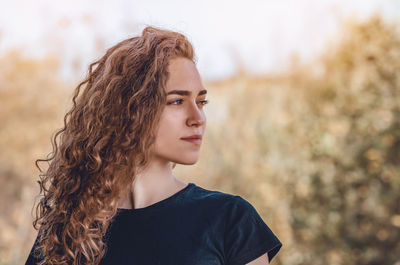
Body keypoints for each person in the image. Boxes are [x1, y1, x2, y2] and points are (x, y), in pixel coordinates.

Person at [24, 25, 282, 265]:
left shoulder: (230, 220)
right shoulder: (69, 230)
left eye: (201, 102)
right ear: (130, 110)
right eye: (177, 101)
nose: (198, 118)